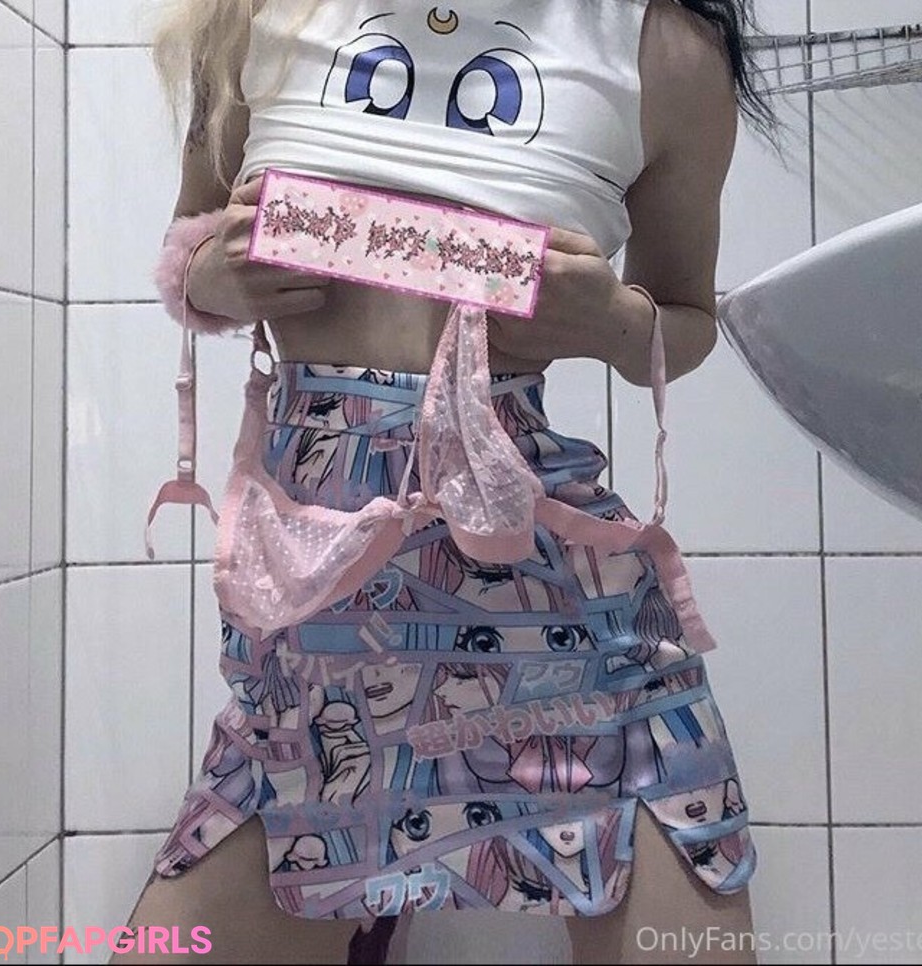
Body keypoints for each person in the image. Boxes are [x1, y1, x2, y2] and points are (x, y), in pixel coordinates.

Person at [119, 1, 779, 962]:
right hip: (315, 613)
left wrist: (606, 321)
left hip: (552, 597)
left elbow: (686, 320)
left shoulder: (663, 46)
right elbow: (190, 247)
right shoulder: (251, 12)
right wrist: (214, 280)